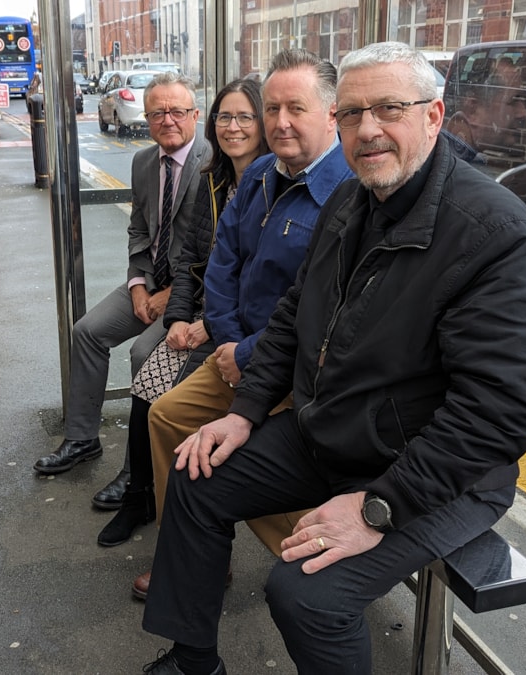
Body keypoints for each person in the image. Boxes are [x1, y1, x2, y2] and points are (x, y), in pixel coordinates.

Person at [139, 42, 526, 675]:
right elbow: (294, 315)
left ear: (434, 115)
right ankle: (193, 661)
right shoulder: (352, 201)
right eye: (353, 113)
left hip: (436, 474)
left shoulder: (494, 233)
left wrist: (376, 507)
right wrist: (244, 411)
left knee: (304, 594)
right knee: (197, 472)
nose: (368, 130)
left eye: (389, 109)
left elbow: (497, 417)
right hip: (333, 432)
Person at [132, 49, 354, 601]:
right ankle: (192, 554)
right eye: (272, 107)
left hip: (289, 370)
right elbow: (224, 260)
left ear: (331, 114)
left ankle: (319, 569)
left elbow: (322, 311)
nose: (279, 122)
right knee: (166, 416)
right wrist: (228, 342)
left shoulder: (346, 195)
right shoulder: (259, 173)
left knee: (237, 472)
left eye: (295, 108)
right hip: (234, 352)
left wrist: (246, 353)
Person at [96, 78, 270, 547]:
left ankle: (192, 531)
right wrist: (176, 319)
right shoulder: (213, 181)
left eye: (245, 117)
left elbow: (263, 284)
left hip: (243, 333)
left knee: (160, 386)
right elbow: (192, 261)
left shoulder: (277, 183)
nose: (232, 127)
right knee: (146, 384)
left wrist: (206, 324)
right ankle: (140, 495)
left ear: (264, 123)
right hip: (200, 318)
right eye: (225, 118)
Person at [33, 72, 210, 512]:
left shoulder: (215, 162)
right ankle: (81, 439)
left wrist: (170, 297)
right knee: (88, 331)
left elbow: (218, 246)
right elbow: (139, 229)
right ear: (146, 117)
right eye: (157, 113)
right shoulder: (144, 161)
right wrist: (136, 284)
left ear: (195, 114)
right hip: (149, 282)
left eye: (177, 111)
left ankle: (139, 472)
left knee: (143, 355)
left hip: (195, 296)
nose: (167, 120)